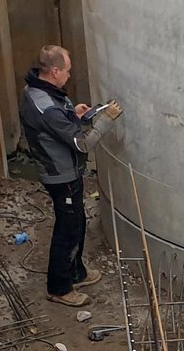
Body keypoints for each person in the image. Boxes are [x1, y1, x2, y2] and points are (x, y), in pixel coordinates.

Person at [19, 45, 120, 309]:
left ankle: (77, 273)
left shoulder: (41, 90)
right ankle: (59, 287)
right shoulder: (45, 107)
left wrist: (73, 115)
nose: (69, 75)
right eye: (67, 71)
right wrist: (105, 121)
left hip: (66, 170)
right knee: (67, 229)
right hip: (60, 175)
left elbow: (57, 122)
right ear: (54, 71)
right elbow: (83, 145)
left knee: (77, 222)